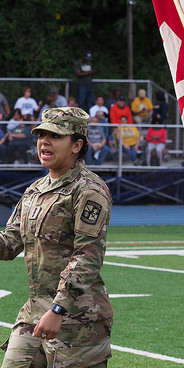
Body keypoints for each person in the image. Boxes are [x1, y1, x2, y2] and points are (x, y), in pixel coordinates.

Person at [0, 107, 113, 366]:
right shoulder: (34, 190)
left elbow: (87, 257)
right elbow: (9, 244)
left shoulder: (89, 190)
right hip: (34, 313)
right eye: (41, 135)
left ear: (77, 145)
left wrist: (58, 309)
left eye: (55, 136)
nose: (44, 142)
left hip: (79, 320)